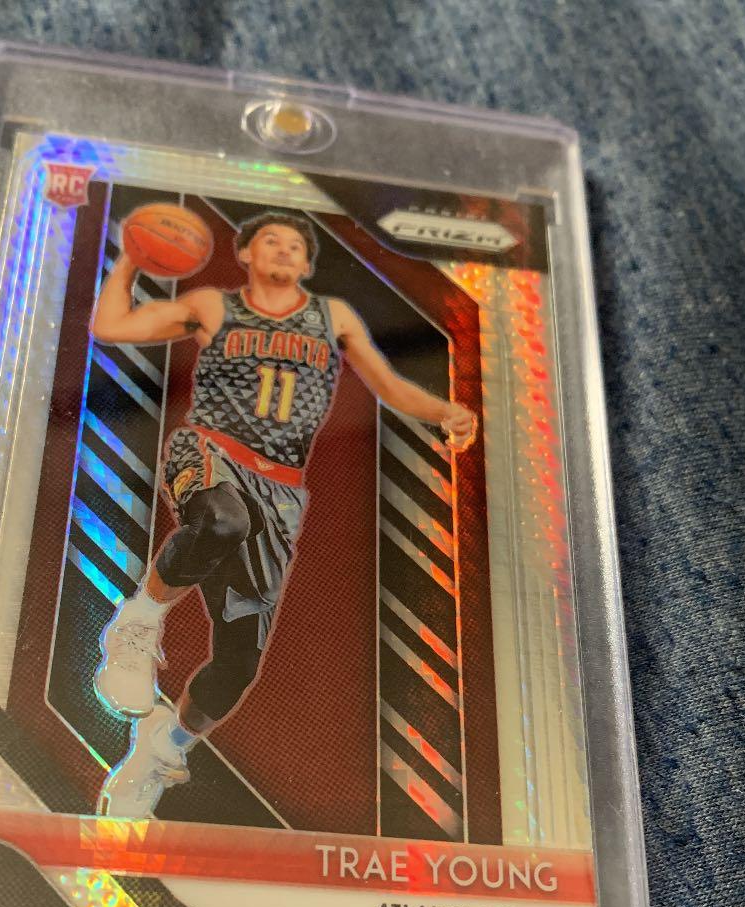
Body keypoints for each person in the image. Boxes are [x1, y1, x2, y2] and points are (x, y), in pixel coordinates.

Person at [89, 212, 475, 817]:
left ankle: (163, 749)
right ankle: (136, 626)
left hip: (282, 488)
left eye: (295, 244)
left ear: (308, 263)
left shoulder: (333, 317)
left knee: (239, 664)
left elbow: (388, 384)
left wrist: (444, 410)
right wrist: (134, 259)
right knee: (223, 520)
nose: (284, 249)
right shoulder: (213, 306)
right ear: (245, 253)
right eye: (271, 240)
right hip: (213, 450)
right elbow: (111, 326)